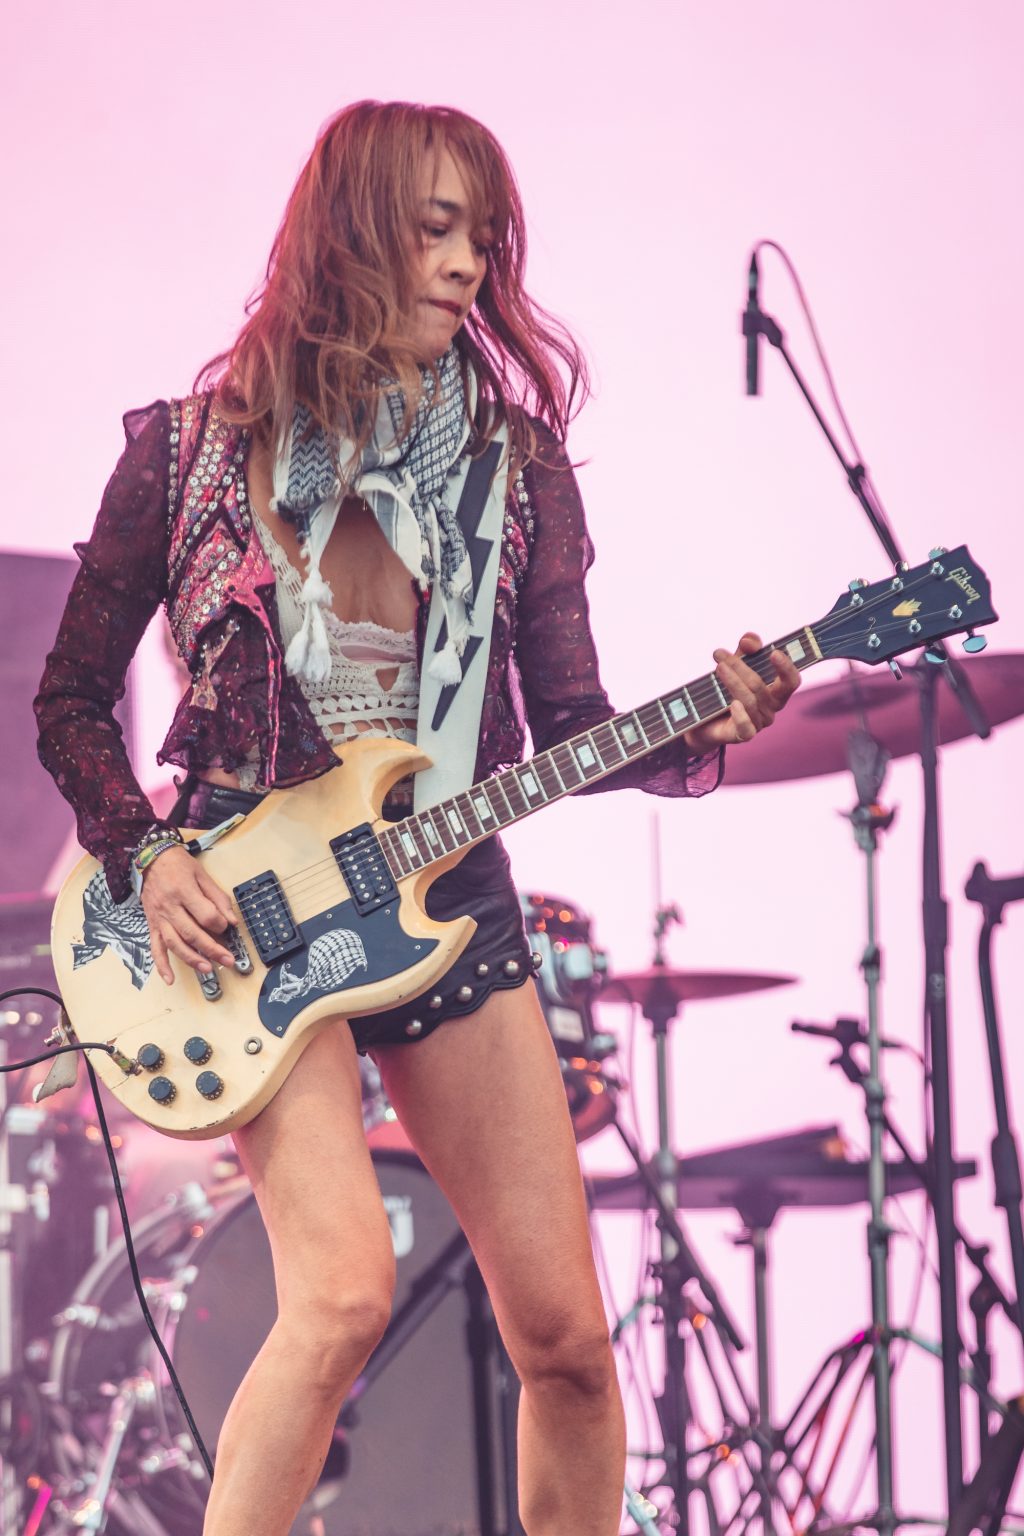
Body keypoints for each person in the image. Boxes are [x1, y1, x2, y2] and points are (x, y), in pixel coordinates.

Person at [35, 100, 800, 1536]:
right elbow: (70, 700)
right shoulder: (193, 455)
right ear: (353, 234)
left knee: (567, 1345)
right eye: (435, 229)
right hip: (247, 914)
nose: (466, 264)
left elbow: (571, 727)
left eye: (483, 238)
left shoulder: (516, 469)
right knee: (337, 1301)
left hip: (445, 892)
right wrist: (149, 856)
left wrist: (702, 725)